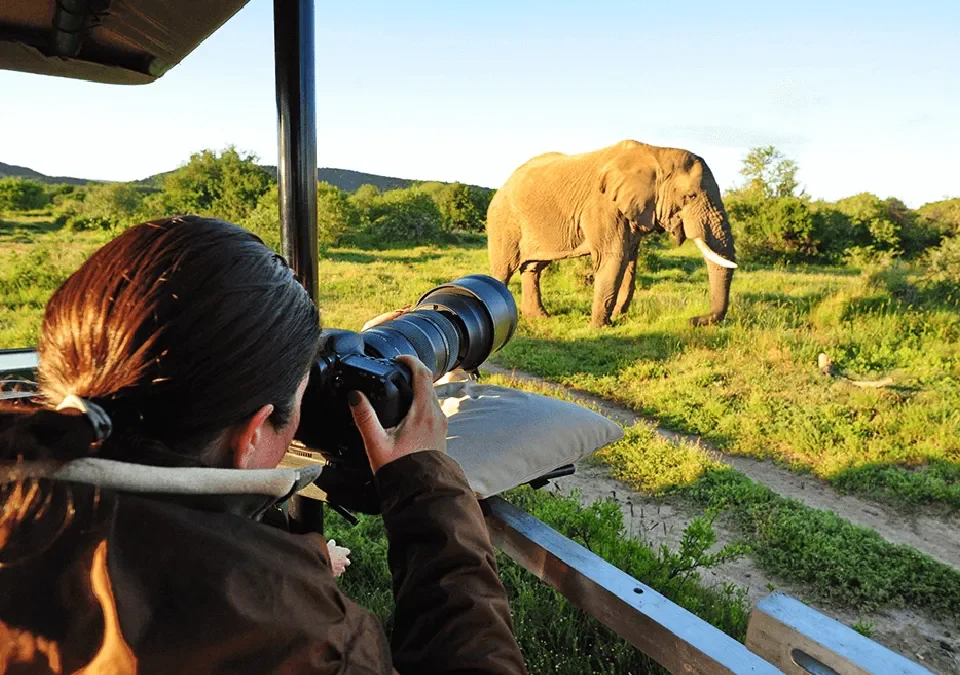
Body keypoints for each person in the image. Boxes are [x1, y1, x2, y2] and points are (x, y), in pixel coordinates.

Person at [0, 215, 527, 674]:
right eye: (299, 403)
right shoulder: (295, 638)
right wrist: (427, 487)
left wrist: (259, 542)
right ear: (253, 433)